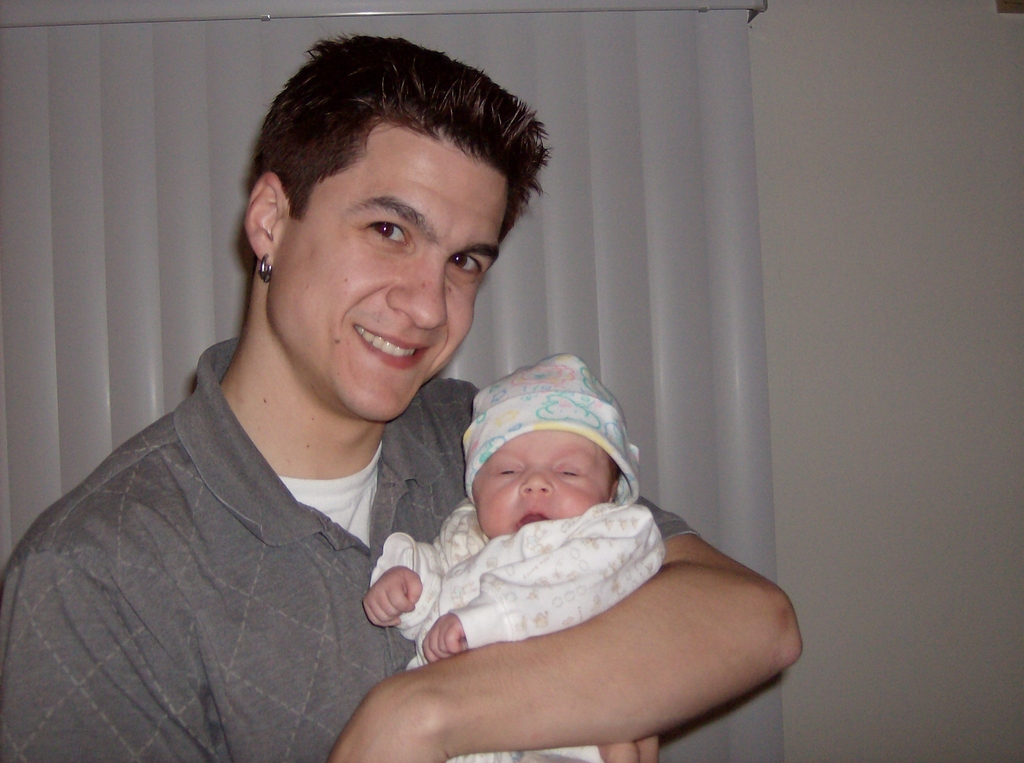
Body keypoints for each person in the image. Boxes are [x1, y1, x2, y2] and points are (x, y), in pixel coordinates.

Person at [0, 34, 800, 763]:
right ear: (271, 220)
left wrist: (421, 715)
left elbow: (752, 618)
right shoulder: (92, 574)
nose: (427, 306)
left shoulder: (480, 437)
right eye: (389, 230)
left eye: (465, 261)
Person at [364, 354, 666, 763]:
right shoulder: (465, 534)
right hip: (458, 730)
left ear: (611, 493)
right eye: (508, 472)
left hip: (563, 717)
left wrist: (487, 619)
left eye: (568, 473)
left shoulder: (611, 534)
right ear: (476, 489)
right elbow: (444, 587)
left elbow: (575, 582)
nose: (535, 484)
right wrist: (410, 584)